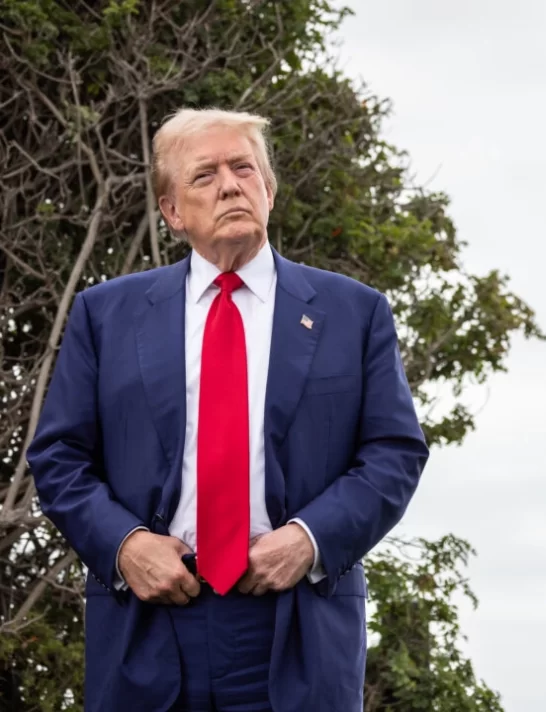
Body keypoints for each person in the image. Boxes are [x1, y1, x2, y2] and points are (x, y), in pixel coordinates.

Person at [26, 107, 429, 712]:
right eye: (205, 175)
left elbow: (394, 453)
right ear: (171, 212)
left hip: (297, 630)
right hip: (147, 623)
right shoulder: (104, 315)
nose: (230, 185)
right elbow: (58, 457)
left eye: (244, 168)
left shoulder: (356, 312)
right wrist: (127, 545)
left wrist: (308, 539)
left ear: (268, 189)